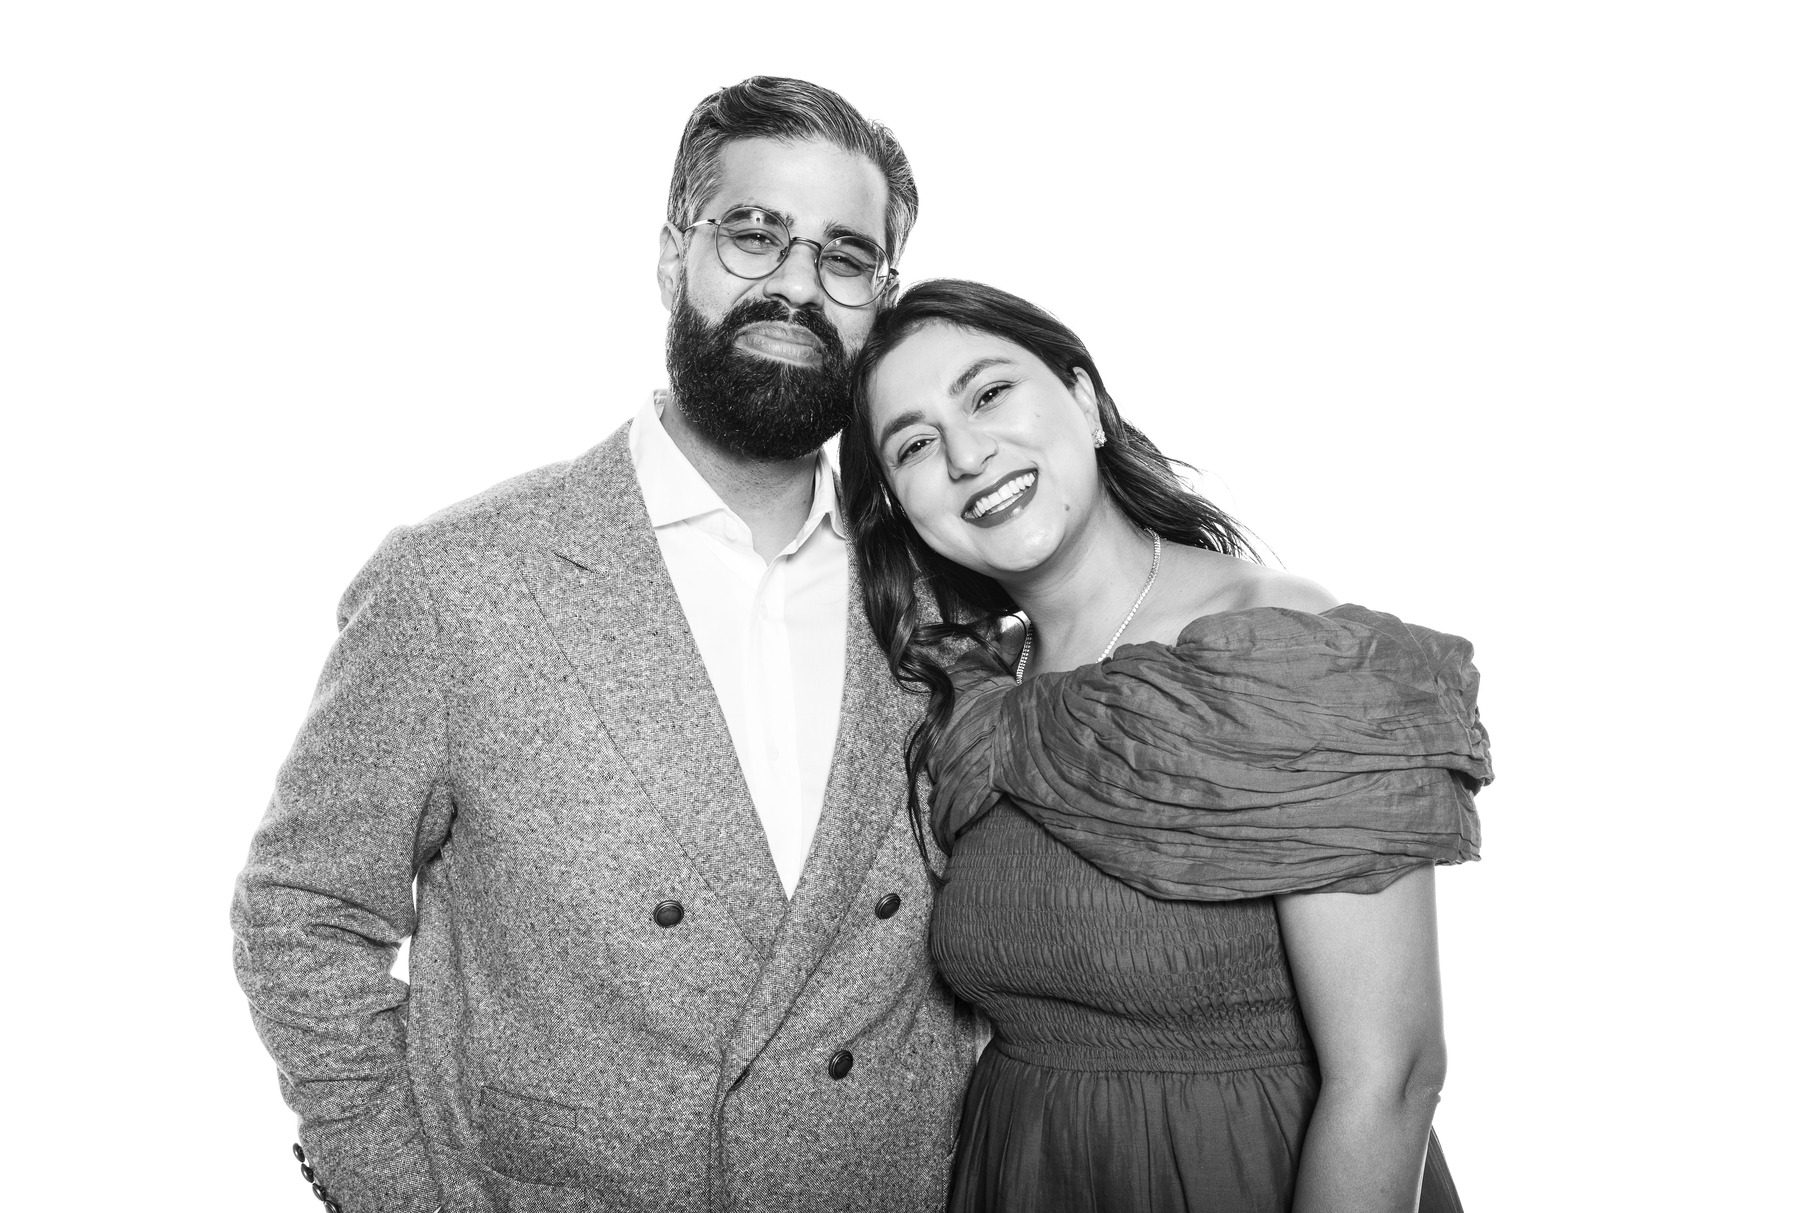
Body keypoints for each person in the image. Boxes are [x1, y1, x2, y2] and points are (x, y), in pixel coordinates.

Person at [231, 79, 978, 1213]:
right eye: (753, 233)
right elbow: (303, 916)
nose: (793, 283)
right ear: (673, 254)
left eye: (844, 257)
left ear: (880, 297)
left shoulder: (941, 595)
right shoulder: (461, 580)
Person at [839, 280, 1491, 1212]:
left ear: (1088, 404)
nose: (966, 453)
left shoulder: (1289, 647)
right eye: (912, 444)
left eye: (988, 393)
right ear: (901, 505)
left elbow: (1391, 1078)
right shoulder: (978, 698)